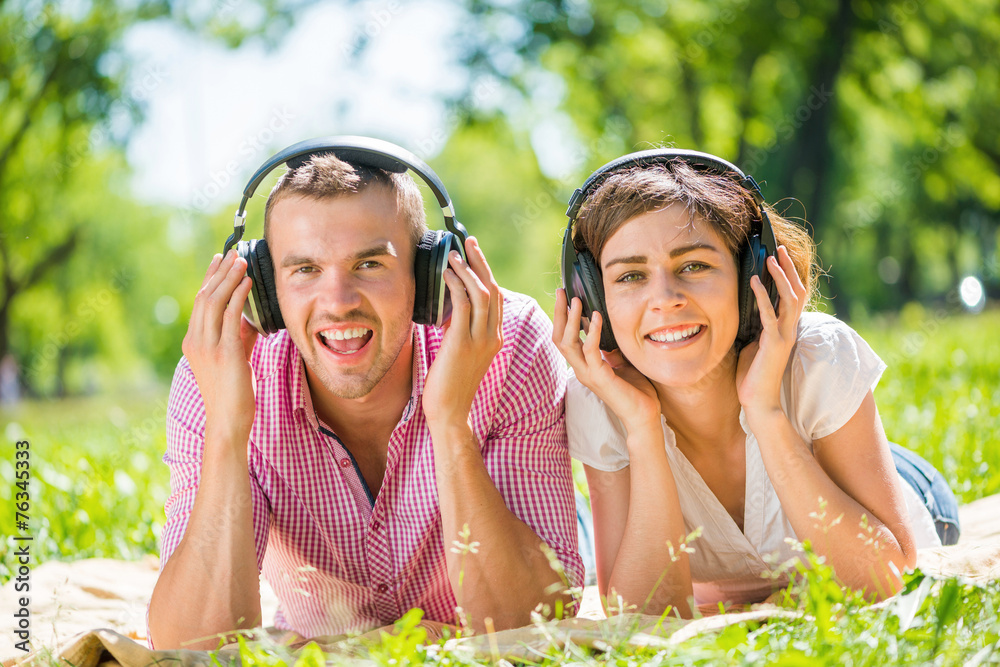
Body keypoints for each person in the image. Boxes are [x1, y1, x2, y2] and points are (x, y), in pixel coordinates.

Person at [148, 139, 583, 650]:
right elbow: (190, 648)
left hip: (511, 555)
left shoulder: (508, 341)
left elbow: (535, 623)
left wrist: (448, 423)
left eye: (369, 264)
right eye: (305, 269)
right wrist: (227, 428)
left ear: (428, 278)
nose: (338, 303)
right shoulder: (219, 371)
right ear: (265, 291)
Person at [553, 148, 959, 618]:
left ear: (753, 274)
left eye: (694, 266)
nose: (664, 299)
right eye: (630, 276)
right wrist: (643, 429)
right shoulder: (599, 399)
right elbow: (641, 620)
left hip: (904, 487)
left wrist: (765, 412)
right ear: (592, 296)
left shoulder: (817, 354)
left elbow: (884, 580)